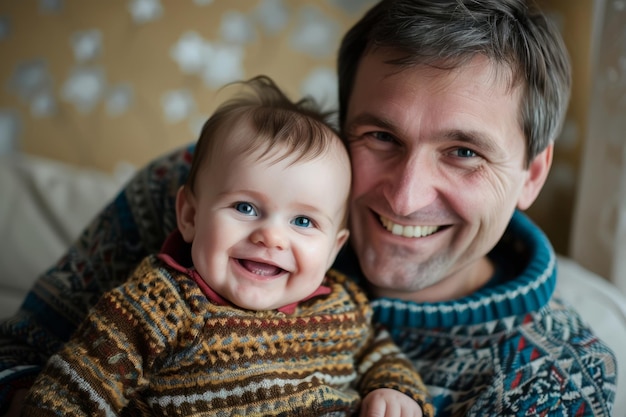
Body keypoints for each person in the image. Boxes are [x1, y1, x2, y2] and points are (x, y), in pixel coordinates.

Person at [0, 0, 617, 416]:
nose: (405, 196)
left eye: (462, 152)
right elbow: (23, 357)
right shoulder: (207, 184)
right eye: (380, 136)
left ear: (531, 174)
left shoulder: (552, 380)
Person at [20, 76, 432, 416]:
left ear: (333, 249)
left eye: (303, 221)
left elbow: (379, 353)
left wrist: (395, 391)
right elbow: (76, 387)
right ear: (190, 216)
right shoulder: (158, 306)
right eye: (246, 207)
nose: (271, 236)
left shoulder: (344, 307)